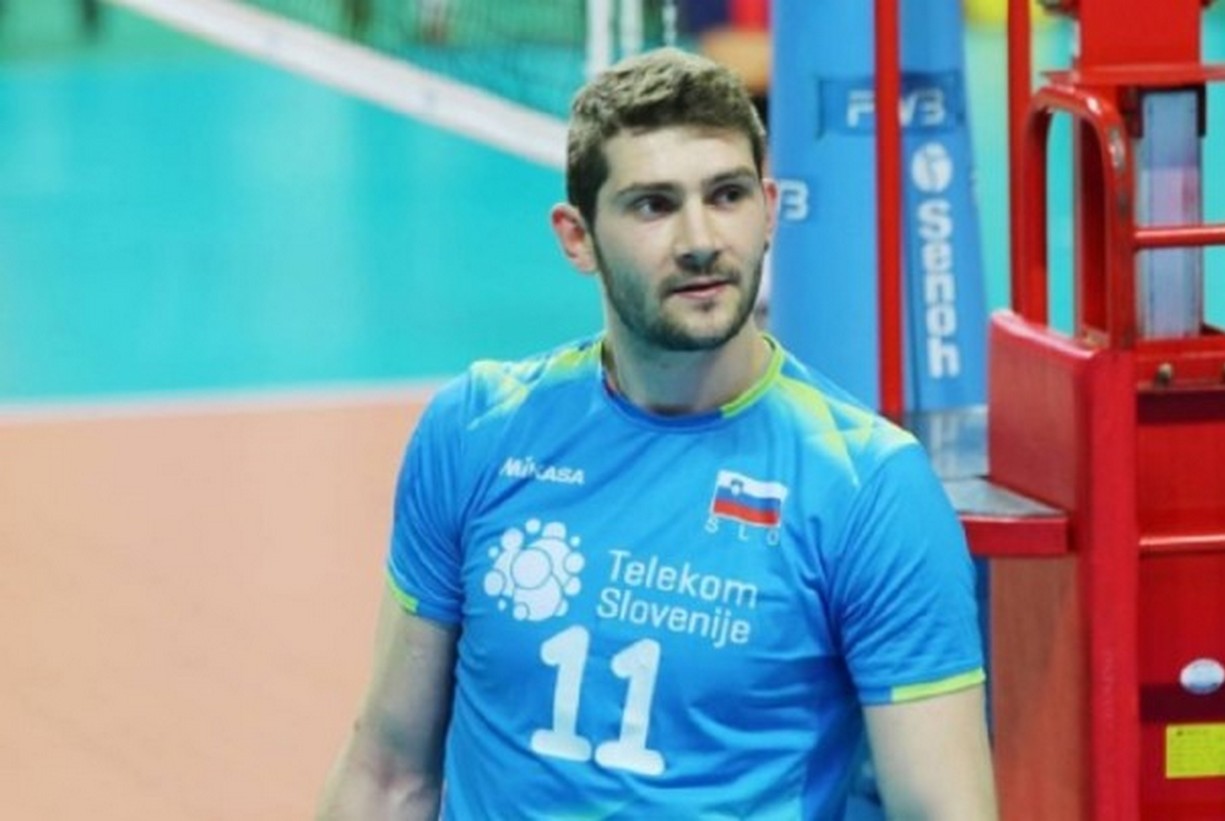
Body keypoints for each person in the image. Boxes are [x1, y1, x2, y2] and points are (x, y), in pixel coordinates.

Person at [316, 47, 997, 820]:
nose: (700, 238)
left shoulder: (867, 486)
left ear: (771, 209)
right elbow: (388, 772)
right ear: (577, 237)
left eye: (728, 195)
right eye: (653, 205)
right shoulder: (478, 430)